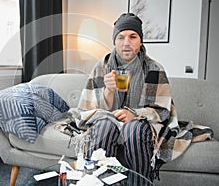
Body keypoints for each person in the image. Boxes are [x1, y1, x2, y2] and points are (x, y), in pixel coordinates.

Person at [72, 13, 213, 184]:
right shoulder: (102, 67)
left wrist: (134, 114)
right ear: (114, 41)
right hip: (108, 119)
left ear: (140, 41)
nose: (126, 43)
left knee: (134, 130)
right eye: (121, 37)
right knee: (103, 127)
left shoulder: (154, 69)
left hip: (140, 123)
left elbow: (162, 110)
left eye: (133, 37)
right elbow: (89, 109)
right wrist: (108, 91)